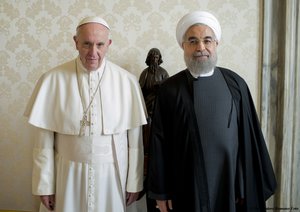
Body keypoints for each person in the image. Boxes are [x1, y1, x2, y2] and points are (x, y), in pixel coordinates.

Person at [147, 11, 277, 212]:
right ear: (183, 45)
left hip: (231, 185)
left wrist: (244, 185)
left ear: (216, 44)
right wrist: (161, 193)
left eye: (207, 40)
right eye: (193, 41)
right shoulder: (169, 89)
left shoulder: (236, 83)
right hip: (186, 186)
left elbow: (248, 140)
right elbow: (159, 144)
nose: (201, 47)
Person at [24, 16, 147, 212]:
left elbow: (135, 142)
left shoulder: (127, 82)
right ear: (75, 42)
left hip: (113, 175)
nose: (93, 52)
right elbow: (43, 143)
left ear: (109, 44)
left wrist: (134, 183)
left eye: (100, 45)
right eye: (86, 44)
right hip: (68, 176)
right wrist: (44, 185)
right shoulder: (52, 79)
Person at [138, 48, 169, 211]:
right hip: (146, 109)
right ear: (149, 58)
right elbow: (139, 91)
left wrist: (160, 90)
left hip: (160, 110)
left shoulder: (163, 73)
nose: (155, 59)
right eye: (152, 57)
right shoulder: (144, 73)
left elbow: (168, 92)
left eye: (157, 57)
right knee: (146, 133)